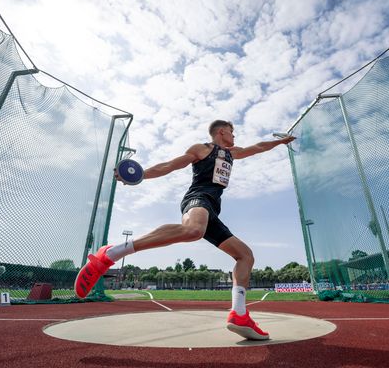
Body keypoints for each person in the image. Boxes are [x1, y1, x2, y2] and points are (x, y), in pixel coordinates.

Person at [74, 120, 295, 340]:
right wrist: (140, 175)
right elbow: (170, 165)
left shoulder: (232, 153)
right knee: (193, 231)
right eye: (232, 132)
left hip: (212, 211)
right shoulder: (202, 149)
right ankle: (110, 254)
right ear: (221, 132)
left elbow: (258, 147)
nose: (235, 136)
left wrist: (281, 142)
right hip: (197, 200)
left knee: (245, 256)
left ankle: (239, 314)